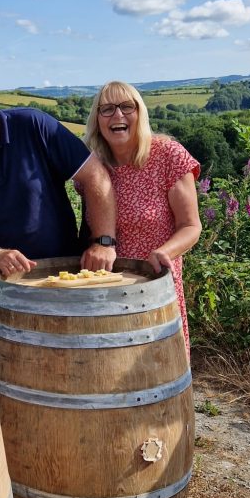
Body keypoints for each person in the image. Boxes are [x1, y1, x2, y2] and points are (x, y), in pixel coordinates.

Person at [0, 63, 117, 339]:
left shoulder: (33, 126)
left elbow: (95, 176)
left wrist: (103, 241)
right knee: (0, 374)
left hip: (62, 283)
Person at [84, 80, 202, 353]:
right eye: (107, 109)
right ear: (97, 119)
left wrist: (165, 251)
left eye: (127, 107)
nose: (118, 115)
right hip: (107, 288)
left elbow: (191, 225)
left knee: (158, 368)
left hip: (154, 284)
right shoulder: (92, 167)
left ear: (140, 113)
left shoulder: (168, 156)